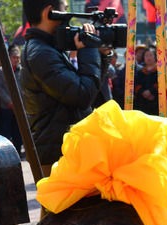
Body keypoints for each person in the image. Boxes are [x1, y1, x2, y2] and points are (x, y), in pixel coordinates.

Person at [20, 0, 104, 177]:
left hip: (62, 149)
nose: (69, 18)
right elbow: (82, 95)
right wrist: (89, 50)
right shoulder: (41, 53)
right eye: (65, 11)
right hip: (57, 153)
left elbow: (89, 89)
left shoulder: (46, 48)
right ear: (50, 12)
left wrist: (101, 56)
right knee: (61, 205)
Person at [0, 44, 24, 155]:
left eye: (18, 57)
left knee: (19, 131)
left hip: (20, 107)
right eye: (14, 57)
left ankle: (17, 151)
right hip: (7, 106)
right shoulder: (1, 71)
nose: (16, 60)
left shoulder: (23, 70)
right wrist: (9, 101)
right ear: (9, 57)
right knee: (6, 130)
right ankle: (6, 153)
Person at [133, 46, 159, 116]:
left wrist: (151, 91)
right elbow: (136, 84)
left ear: (155, 57)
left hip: (156, 101)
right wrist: (143, 92)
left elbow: (159, 84)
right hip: (142, 101)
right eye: (146, 55)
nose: (148, 58)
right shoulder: (140, 71)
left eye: (151, 55)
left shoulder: (160, 71)